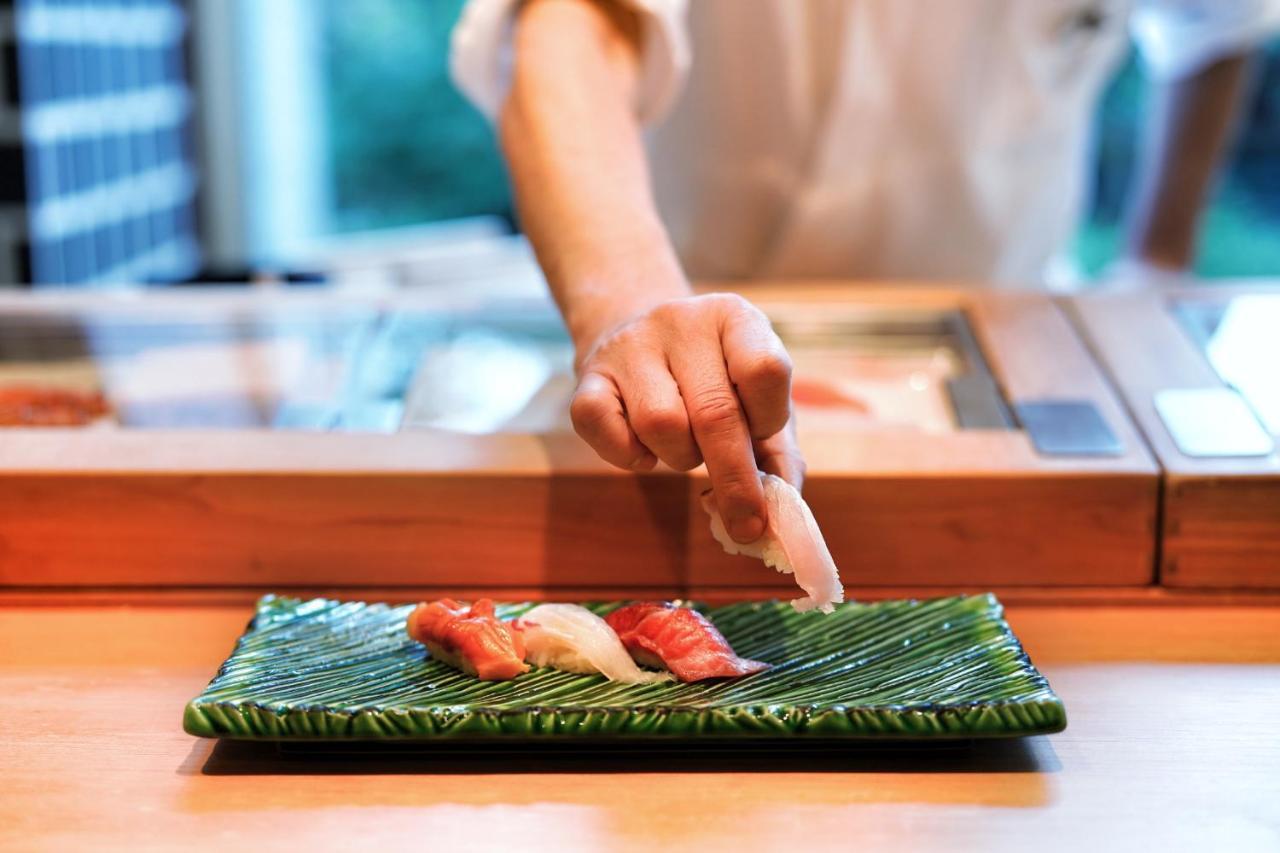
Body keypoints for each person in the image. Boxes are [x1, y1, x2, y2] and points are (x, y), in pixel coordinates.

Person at [449, 0, 1279, 544]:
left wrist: (1158, 253)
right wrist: (632, 303)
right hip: (666, 335)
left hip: (1008, 329)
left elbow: (1216, 20)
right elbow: (568, 27)